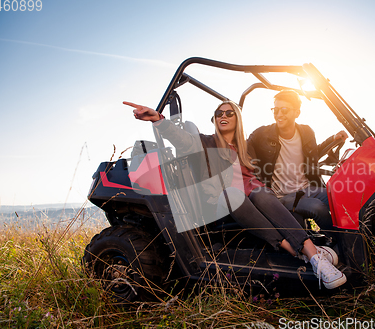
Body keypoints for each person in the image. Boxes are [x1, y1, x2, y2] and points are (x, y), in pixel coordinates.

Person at [123, 100, 347, 289]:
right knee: (233, 193)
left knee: (261, 193)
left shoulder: (246, 148)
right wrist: (158, 119)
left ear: (237, 119)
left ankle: (313, 257)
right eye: (219, 113)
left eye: (229, 112)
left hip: (253, 198)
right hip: (222, 202)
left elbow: (279, 154)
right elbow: (180, 138)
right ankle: (307, 252)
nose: (223, 115)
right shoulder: (204, 143)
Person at [247, 89, 348, 233]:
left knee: (341, 196)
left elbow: (313, 154)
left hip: (307, 188)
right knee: (317, 208)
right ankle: (336, 242)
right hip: (282, 195)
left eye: (284, 110)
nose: (279, 114)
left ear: (297, 113)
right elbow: (245, 152)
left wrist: (333, 139)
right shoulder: (261, 134)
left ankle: (358, 235)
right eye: (275, 110)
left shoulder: (307, 132)